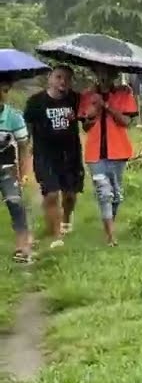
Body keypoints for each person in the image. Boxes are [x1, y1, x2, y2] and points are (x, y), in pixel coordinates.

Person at [24, 65, 83, 247]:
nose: (63, 82)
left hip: (70, 154)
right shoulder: (36, 102)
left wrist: (80, 118)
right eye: (58, 77)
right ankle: (57, 236)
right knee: (51, 194)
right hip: (45, 155)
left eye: (67, 78)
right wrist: (25, 147)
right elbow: (27, 126)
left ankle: (66, 219)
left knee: (70, 195)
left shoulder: (76, 99)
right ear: (50, 78)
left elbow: (88, 121)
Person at [79, 67, 138, 246]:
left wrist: (106, 106)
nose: (104, 76)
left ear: (115, 75)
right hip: (95, 153)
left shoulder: (124, 94)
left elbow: (126, 122)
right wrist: (93, 112)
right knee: (104, 193)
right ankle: (110, 235)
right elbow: (85, 127)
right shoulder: (87, 95)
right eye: (100, 73)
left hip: (118, 151)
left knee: (116, 196)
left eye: (108, 73)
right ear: (96, 74)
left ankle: (109, 222)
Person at [0, 78, 34, 263]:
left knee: (15, 203)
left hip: (7, 168)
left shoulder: (13, 117)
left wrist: (24, 172)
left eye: (4, 91)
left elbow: (23, 147)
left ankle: (22, 246)